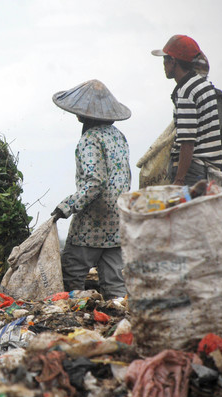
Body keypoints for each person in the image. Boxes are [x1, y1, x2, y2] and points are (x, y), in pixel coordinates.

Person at [51, 79, 131, 299]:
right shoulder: (118, 136)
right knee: (115, 284)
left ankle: (71, 319)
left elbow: (94, 183)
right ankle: (118, 323)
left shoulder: (90, 139)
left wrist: (66, 207)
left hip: (93, 223)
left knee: (72, 273)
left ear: (82, 115)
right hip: (117, 219)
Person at [152, 34, 222, 186]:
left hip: (192, 172)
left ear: (173, 61)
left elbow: (188, 141)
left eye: (165, 59)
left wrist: (180, 179)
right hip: (207, 170)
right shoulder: (204, 85)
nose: (163, 64)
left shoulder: (186, 92)